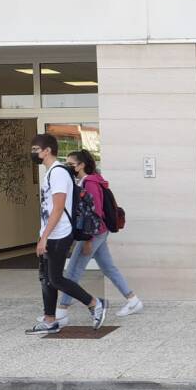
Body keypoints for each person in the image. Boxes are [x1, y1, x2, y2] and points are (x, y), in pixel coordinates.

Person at [26, 134, 108, 335]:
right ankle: (50, 320)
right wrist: (42, 234)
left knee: (55, 279)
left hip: (60, 233)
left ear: (47, 150)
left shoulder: (58, 173)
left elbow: (58, 207)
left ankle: (95, 303)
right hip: (51, 232)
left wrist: (45, 236)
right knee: (46, 278)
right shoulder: (51, 173)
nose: (33, 153)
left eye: (36, 149)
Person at [51, 150, 142, 326]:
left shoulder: (90, 183)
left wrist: (88, 240)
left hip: (94, 232)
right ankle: (133, 300)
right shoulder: (89, 181)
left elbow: (95, 213)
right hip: (99, 231)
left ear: (81, 165)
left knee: (73, 271)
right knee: (108, 267)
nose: (69, 167)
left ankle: (61, 310)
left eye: (72, 164)